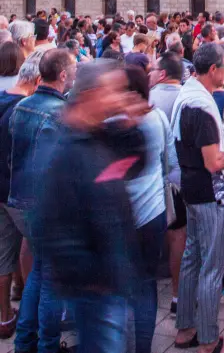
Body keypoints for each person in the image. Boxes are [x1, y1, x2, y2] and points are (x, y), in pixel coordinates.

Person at [32, 59, 148, 353]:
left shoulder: (101, 135)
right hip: (96, 291)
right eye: (115, 91)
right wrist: (94, 276)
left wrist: (129, 127)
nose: (121, 98)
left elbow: (134, 164)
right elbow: (48, 225)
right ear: (91, 95)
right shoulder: (64, 149)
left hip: (113, 283)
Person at [171, 43, 224, 353]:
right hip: (208, 193)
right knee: (211, 267)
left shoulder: (187, 94)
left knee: (192, 260)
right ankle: (210, 339)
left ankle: (185, 329)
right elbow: (213, 162)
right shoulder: (201, 106)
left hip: (190, 187)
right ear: (213, 69)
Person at [10, 48, 77, 353]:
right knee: (51, 279)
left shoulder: (22, 106)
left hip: (22, 202)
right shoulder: (59, 114)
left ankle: (25, 343)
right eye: (72, 70)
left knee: (39, 272)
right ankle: (48, 346)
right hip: (48, 207)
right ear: (62, 75)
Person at [124, 65, 177, 353]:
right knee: (145, 286)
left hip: (120, 215)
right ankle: (142, 347)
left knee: (121, 287)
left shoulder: (111, 121)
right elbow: (169, 162)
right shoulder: (156, 117)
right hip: (151, 214)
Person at [0, 58, 40, 338]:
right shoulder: (24, 108)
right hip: (18, 190)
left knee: (3, 254)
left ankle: (4, 317)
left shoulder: (2, 98)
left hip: (0, 188)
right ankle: (29, 310)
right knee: (36, 247)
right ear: (37, 81)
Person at [149, 52, 185, 315]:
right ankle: (176, 295)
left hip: (153, 179)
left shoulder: (149, 98)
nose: (148, 74)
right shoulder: (185, 96)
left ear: (162, 74)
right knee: (178, 236)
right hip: (177, 178)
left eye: (152, 70)